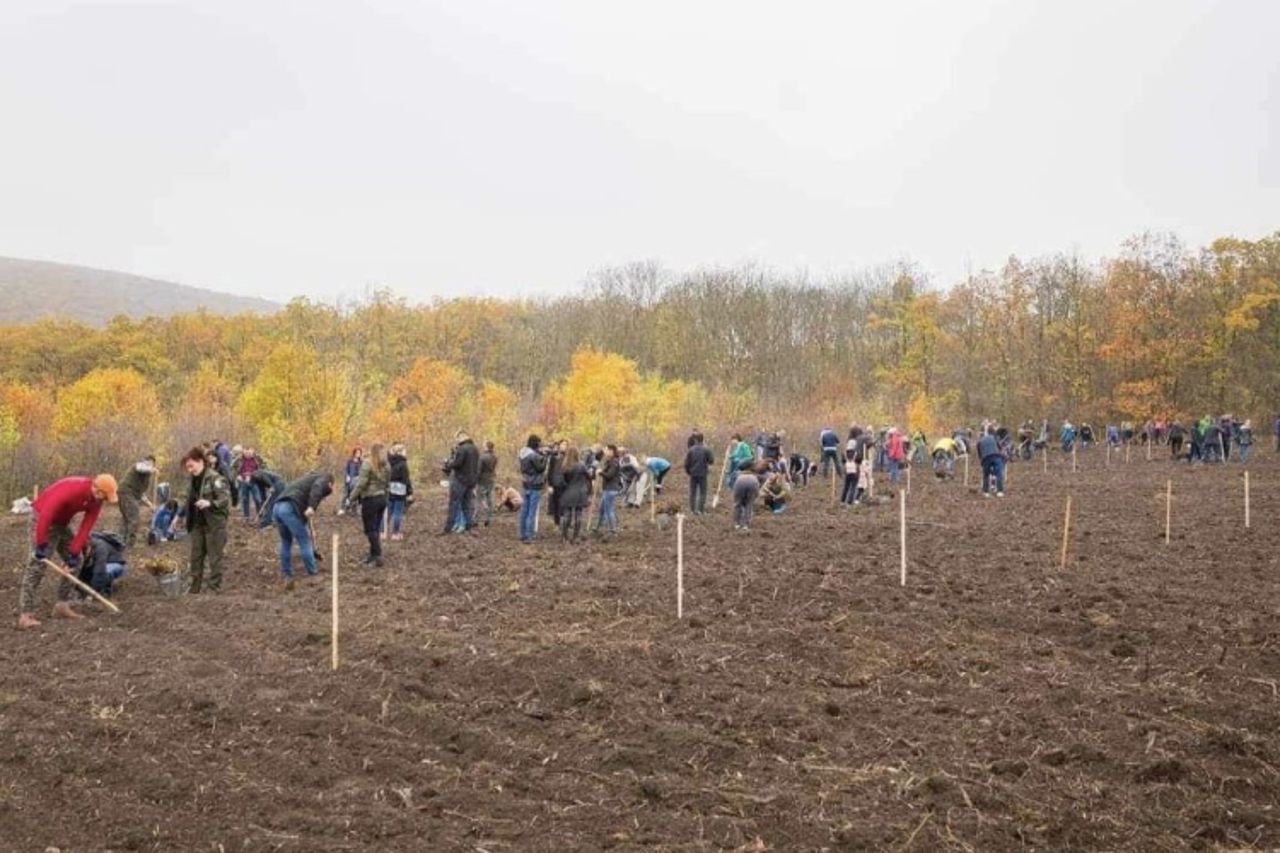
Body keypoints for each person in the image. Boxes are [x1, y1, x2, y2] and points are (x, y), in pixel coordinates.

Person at [18, 474, 119, 629]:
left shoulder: (96, 502)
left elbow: (86, 526)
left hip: (61, 523)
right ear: (97, 490)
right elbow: (46, 515)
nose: (104, 501)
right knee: (37, 566)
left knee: (77, 561)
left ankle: (61, 605)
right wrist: (41, 544)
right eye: (104, 497)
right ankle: (25, 614)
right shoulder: (72, 489)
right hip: (41, 518)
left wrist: (73, 552)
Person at [179, 447, 231, 593]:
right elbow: (187, 500)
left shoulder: (215, 479)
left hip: (213, 524)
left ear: (201, 461)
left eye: (191, 466)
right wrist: (179, 516)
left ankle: (214, 587)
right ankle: (194, 587)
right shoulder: (191, 481)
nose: (189, 470)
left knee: (215, 558)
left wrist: (210, 503)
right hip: (197, 524)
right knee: (195, 558)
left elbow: (224, 499)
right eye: (187, 467)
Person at [273, 471, 335, 589]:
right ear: (330, 483)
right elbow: (317, 489)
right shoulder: (323, 478)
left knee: (286, 541)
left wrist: (307, 524)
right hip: (288, 509)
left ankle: (287, 572)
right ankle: (312, 573)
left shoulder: (304, 482)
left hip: (277, 508)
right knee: (305, 541)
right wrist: (312, 507)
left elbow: (301, 507)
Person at [350, 443, 390, 565]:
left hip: (370, 499)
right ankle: (373, 555)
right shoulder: (387, 465)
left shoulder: (367, 463)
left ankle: (377, 556)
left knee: (370, 529)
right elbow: (387, 484)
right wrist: (386, 498)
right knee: (375, 529)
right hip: (382, 498)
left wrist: (351, 497)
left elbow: (361, 483)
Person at [442, 431, 480, 534]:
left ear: (461, 437)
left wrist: (447, 465)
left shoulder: (462, 449)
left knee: (454, 503)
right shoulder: (475, 449)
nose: (457, 441)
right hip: (471, 481)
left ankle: (448, 528)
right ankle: (469, 527)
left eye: (457, 438)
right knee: (467, 504)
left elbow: (457, 463)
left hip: (460, 480)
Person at [552, 444, 591, 543]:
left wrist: (564, 488)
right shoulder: (581, 465)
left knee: (567, 514)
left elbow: (560, 481)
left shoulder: (565, 466)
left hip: (569, 492)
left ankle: (564, 536)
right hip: (581, 492)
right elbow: (589, 476)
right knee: (578, 514)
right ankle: (576, 537)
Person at [117, 454, 156, 547]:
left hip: (131, 493)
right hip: (126, 491)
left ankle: (120, 541)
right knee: (134, 517)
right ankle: (130, 544)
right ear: (144, 462)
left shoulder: (146, 477)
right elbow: (141, 468)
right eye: (147, 463)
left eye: (151, 464)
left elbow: (140, 493)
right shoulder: (138, 467)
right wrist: (151, 469)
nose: (149, 466)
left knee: (126, 519)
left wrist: (149, 504)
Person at [517, 435, 549, 543]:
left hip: (526, 482)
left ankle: (522, 533)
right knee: (532, 511)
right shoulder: (533, 455)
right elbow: (541, 468)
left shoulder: (523, 453)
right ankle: (529, 535)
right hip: (535, 484)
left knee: (524, 510)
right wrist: (545, 457)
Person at [80, 530, 128, 598]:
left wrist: (93, 591)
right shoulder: (87, 547)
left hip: (116, 565)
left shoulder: (100, 547)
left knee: (104, 570)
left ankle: (105, 590)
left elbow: (99, 569)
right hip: (103, 565)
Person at [593, 444, 622, 536]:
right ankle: (596, 527)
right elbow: (599, 460)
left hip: (611, 489)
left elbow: (609, 475)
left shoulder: (614, 462)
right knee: (601, 509)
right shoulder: (609, 461)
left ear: (612, 451)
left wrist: (601, 472)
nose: (605, 452)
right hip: (607, 488)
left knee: (608, 510)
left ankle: (613, 530)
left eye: (607, 450)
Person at [387, 443, 414, 540]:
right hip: (400, 489)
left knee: (389, 511)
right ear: (400, 452)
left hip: (390, 488)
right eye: (404, 451)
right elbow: (406, 479)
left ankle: (382, 532)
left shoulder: (389, 462)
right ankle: (395, 533)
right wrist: (410, 492)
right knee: (398, 512)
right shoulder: (403, 464)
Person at [684, 433, 714, 515]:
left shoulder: (691, 450)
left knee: (692, 492)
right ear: (703, 439)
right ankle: (701, 510)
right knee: (703, 492)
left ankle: (692, 510)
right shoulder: (706, 449)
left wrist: (688, 472)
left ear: (695, 440)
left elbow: (686, 463)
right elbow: (711, 461)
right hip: (703, 473)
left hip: (693, 474)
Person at [232, 447, 265, 521]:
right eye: (246, 453)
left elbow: (263, 469)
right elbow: (232, 469)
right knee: (245, 499)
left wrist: (252, 475)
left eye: (250, 453)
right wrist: (237, 476)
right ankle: (246, 517)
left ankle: (260, 515)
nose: (248, 455)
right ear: (243, 452)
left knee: (258, 499)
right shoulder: (239, 459)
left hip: (255, 481)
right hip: (243, 481)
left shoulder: (258, 459)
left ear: (253, 452)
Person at [977, 429, 1006, 497]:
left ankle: (986, 492)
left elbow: (979, 453)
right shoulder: (993, 437)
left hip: (985, 458)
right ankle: (1000, 491)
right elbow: (1000, 447)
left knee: (986, 475)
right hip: (995, 455)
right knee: (999, 473)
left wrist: (982, 460)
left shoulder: (980, 441)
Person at [732, 465, 760, 530]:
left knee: (738, 504)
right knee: (749, 504)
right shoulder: (754, 475)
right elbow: (757, 489)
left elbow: (731, 483)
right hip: (753, 482)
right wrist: (755, 496)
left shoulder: (737, 473)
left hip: (740, 482)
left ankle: (737, 523)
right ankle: (745, 524)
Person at [477, 440, 498, 527]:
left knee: (479, 499)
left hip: (482, 480)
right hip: (491, 479)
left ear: (486, 447)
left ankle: (476, 519)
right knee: (489, 498)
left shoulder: (482, 457)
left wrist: (475, 479)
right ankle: (488, 518)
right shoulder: (495, 457)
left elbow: (478, 471)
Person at [340, 446, 363, 514]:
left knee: (355, 495)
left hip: (357, 480)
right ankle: (342, 508)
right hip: (349, 480)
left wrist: (359, 477)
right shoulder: (349, 461)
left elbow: (362, 471)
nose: (358, 454)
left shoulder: (361, 462)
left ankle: (354, 509)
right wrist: (347, 476)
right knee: (346, 494)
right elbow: (346, 470)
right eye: (357, 453)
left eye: (359, 453)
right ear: (354, 453)